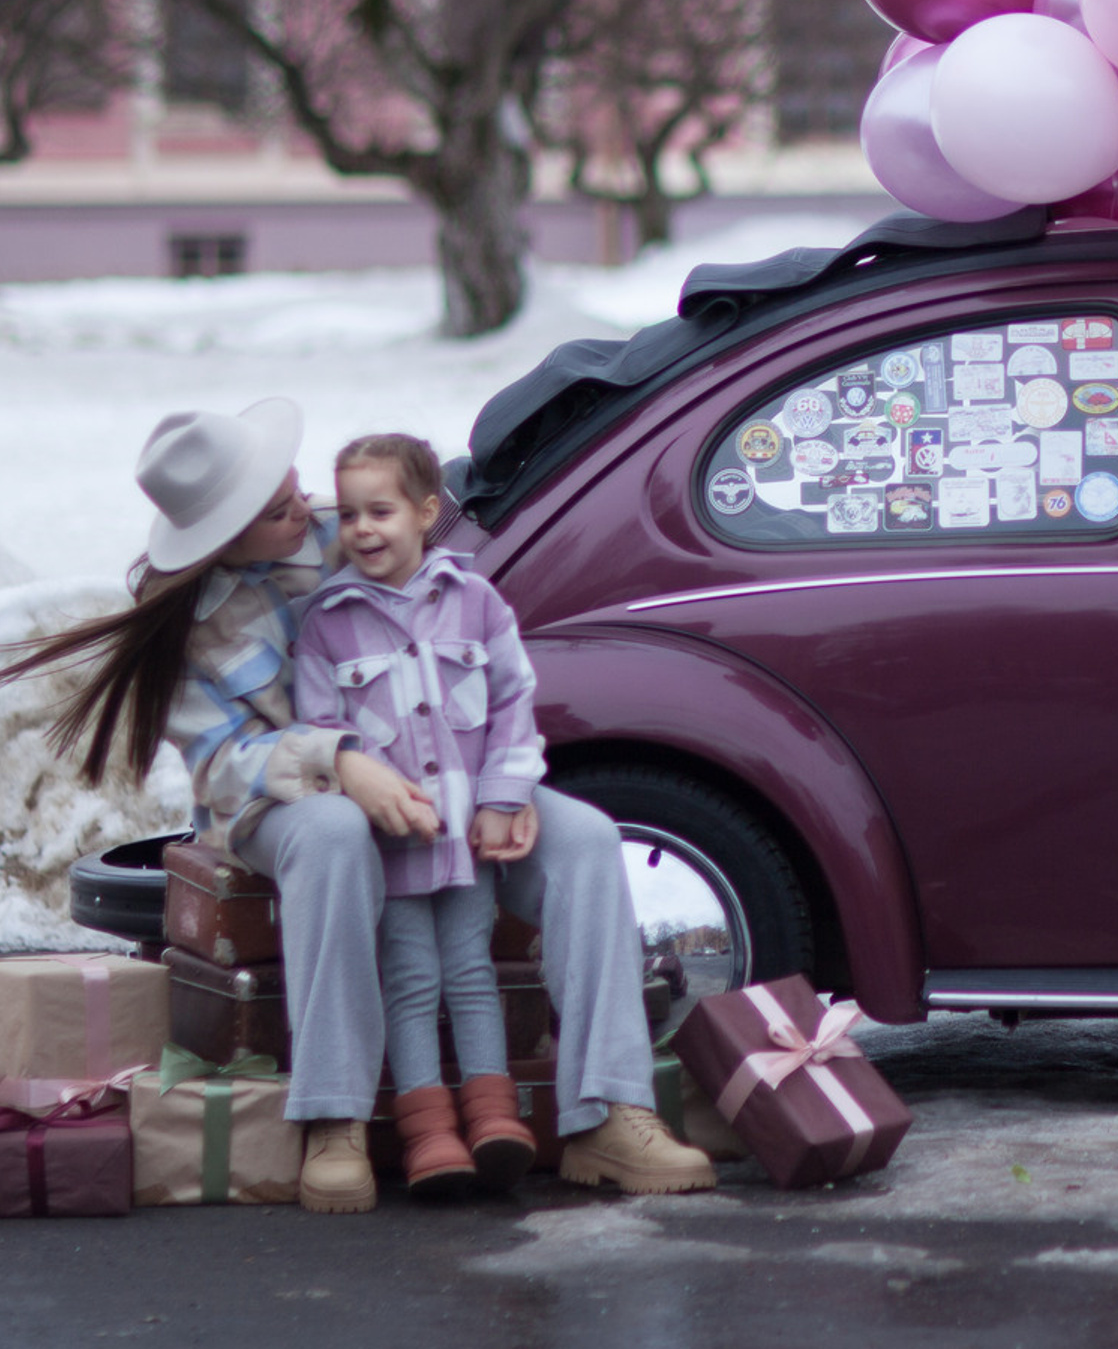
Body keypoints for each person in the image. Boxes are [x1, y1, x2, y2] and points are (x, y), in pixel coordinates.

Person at [2, 400, 715, 1212]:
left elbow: (464, 622)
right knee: (337, 832)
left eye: (296, 489)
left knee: (583, 838)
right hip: (283, 804)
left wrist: (499, 788)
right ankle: (334, 1113)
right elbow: (227, 766)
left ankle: (608, 1111)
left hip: (437, 778)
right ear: (221, 538)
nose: (306, 510)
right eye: (278, 509)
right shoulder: (186, 629)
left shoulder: (348, 525)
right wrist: (342, 763)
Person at [292, 434, 544, 1199]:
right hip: (392, 845)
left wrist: (505, 797)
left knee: (470, 973)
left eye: (382, 511)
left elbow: (512, 702)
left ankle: (494, 1115)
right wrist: (364, 793)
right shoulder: (326, 624)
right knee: (408, 979)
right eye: (350, 515)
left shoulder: (475, 603)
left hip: (468, 836)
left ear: (427, 512)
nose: (363, 529)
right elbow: (320, 729)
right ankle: (429, 1132)